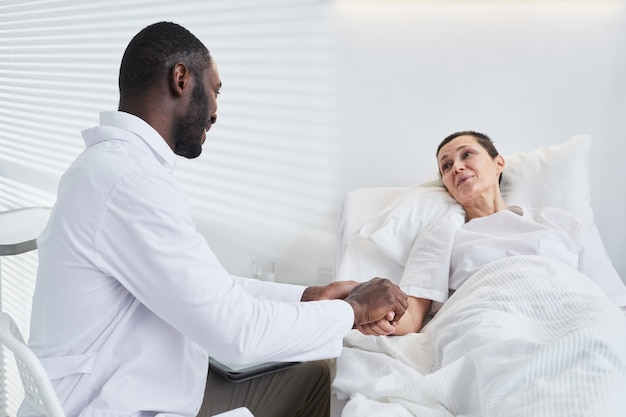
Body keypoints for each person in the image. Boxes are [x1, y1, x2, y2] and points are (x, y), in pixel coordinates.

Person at [19, 22, 409, 417]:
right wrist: (354, 311)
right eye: (216, 90)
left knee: (308, 375)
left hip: (116, 383)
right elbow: (236, 332)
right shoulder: (131, 182)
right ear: (181, 78)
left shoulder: (108, 168)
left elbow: (211, 290)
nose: (217, 112)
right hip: (104, 404)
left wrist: (310, 296)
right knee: (309, 379)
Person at [356, 130, 626, 337]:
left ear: (499, 163)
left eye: (467, 155)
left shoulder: (561, 222)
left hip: (574, 318)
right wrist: (383, 321)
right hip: (487, 324)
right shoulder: (442, 234)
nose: (457, 167)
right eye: (446, 167)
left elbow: (610, 299)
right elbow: (414, 314)